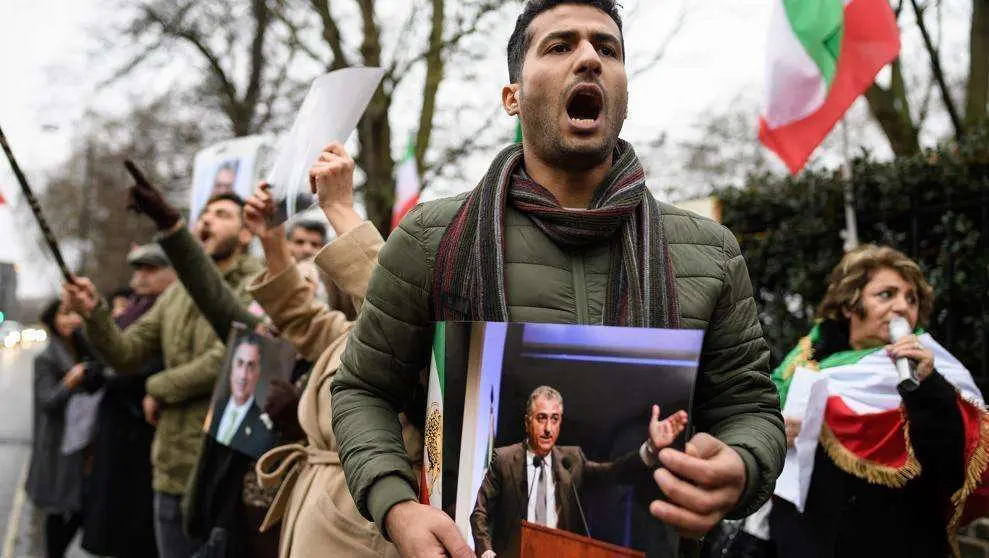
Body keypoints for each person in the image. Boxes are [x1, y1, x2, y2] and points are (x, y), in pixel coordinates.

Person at [330, 2, 785, 556]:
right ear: (512, 97)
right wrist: (395, 506)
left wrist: (742, 463)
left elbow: (750, 409)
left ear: (624, 93)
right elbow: (363, 390)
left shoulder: (709, 251)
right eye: (559, 45)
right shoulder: (430, 238)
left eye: (607, 48)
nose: (590, 57)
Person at [124, 143, 415, 558]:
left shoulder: (409, 341)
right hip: (289, 514)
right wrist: (272, 239)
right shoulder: (345, 334)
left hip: (352, 527)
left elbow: (394, 308)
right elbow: (300, 318)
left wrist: (340, 208)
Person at [62, 193, 263, 558]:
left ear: (246, 233)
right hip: (170, 466)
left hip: (222, 476)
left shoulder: (258, 284)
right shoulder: (177, 293)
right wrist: (94, 314)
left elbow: (234, 357)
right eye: (204, 213)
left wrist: (157, 387)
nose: (207, 221)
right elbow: (126, 353)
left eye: (222, 215)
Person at [768, 245, 989, 557]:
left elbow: (951, 467)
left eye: (911, 298)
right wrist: (773, 433)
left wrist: (926, 388)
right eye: (886, 294)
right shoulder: (807, 365)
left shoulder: (933, 369)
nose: (902, 307)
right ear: (849, 304)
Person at [470, 386, 688, 557]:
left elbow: (613, 472)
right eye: (541, 418)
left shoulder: (571, 460)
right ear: (528, 423)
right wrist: (486, 551)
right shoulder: (505, 459)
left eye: (554, 419)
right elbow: (480, 513)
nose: (548, 428)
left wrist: (650, 449)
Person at [81, 242, 176, 558]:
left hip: (142, 431)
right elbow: (115, 350)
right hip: (116, 429)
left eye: (152, 269)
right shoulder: (135, 307)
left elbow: (147, 363)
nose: (142, 277)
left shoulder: (169, 308)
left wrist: (112, 376)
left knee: (137, 526)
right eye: (139, 269)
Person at [25, 300, 98, 558]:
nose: (70, 321)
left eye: (75, 314)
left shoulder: (85, 349)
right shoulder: (45, 358)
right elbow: (47, 401)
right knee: (59, 510)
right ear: (52, 320)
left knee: (83, 506)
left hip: (87, 443)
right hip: (59, 445)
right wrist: (70, 381)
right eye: (64, 315)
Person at [207, 333, 276, 458]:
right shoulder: (215, 408)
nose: (243, 375)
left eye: (250, 367)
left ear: (258, 373)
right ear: (231, 367)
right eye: (240, 364)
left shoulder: (262, 428)